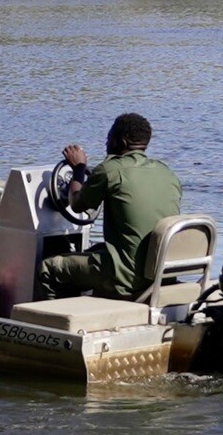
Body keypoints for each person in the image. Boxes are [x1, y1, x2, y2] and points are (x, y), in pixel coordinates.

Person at [36, 112, 183, 301]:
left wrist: (79, 169)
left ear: (120, 142)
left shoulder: (109, 170)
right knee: (94, 251)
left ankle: (62, 316)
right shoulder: (167, 173)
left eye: (108, 138)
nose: (106, 143)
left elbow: (77, 204)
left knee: (48, 268)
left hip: (126, 277)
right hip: (162, 273)